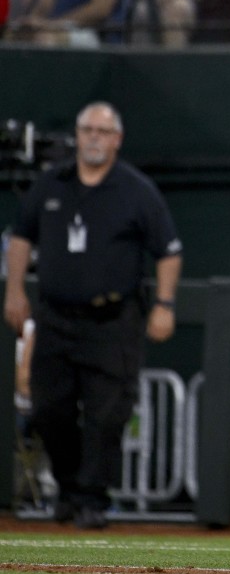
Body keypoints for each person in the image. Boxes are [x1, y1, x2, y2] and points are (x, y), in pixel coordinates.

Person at [3, 101, 183, 530]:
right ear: (78, 135)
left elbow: (169, 251)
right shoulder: (50, 184)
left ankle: (92, 500)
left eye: (103, 131)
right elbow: (21, 237)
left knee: (108, 415)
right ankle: (67, 490)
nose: (94, 137)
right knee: (47, 409)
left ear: (117, 139)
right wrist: (13, 291)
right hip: (55, 317)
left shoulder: (136, 190)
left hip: (112, 320)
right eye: (87, 129)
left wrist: (165, 304)